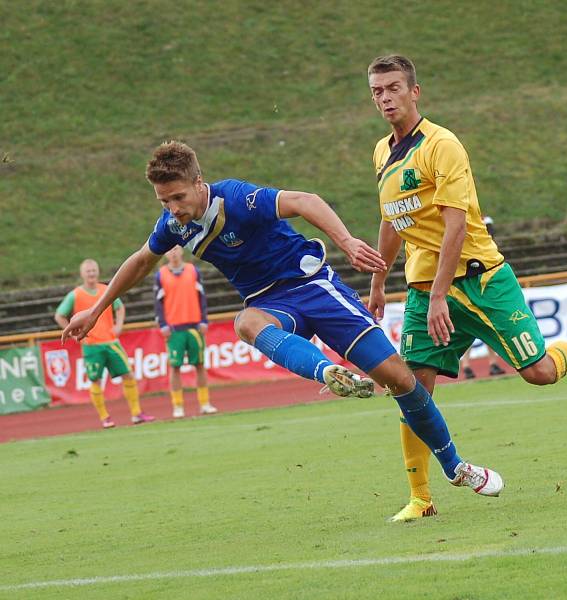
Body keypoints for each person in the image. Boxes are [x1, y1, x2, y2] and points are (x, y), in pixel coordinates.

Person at [61, 140, 503, 503]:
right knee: (245, 323)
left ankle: (455, 466)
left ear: (199, 183)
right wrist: (96, 309)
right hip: (270, 302)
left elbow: (305, 200)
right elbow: (141, 261)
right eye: (164, 201)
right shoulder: (173, 226)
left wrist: (347, 241)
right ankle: (327, 372)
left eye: (178, 197)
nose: (173, 208)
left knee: (401, 382)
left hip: (314, 288)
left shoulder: (235, 197)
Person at [366, 54, 567, 522]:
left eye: (392, 88)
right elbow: (393, 220)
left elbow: (455, 227)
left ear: (415, 91)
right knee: (411, 388)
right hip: (424, 286)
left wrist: (437, 297)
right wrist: (378, 280)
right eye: (376, 91)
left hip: (481, 279)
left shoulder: (443, 146)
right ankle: (421, 498)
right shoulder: (380, 153)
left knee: (540, 374)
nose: (385, 98)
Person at [54, 259, 155, 429]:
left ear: (98, 272)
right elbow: (59, 315)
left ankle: (137, 413)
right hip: (91, 345)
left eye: (93, 270)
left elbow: (119, 307)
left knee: (128, 375)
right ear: (82, 274)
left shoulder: (105, 290)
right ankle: (105, 417)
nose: (91, 273)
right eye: (88, 271)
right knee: (95, 380)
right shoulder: (75, 295)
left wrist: (118, 326)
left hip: (111, 342)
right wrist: (72, 333)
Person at [154, 245, 217, 418]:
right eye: (169, 250)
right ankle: (178, 406)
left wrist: (204, 320)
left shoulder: (193, 270)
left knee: (200, 365)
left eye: (175, 249)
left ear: (181, 250)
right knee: (175, 367)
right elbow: (158, 303)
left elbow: (201, 297)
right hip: (174, 328)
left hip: (195, 326)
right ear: (165, 254)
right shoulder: (161, 275)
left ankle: (204, 403)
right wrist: (163, 324)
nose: (173, 253)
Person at [460, 216, 505, 379]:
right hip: (476, 287)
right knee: (479, 327)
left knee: (481, 327)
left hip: (475, 287)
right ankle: (471, 364)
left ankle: (481, 364)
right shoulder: (477, 241)